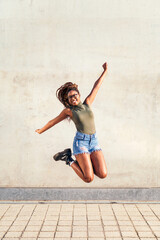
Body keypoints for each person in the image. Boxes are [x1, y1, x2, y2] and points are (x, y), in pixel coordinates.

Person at [35, 62, 108, 183]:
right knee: (88, 178)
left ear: (79, 95)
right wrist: (40, 130)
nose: (73, 97)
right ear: (68, 101)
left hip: (94, 141)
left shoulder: (87, 103)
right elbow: (53, 121)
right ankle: (68, 159)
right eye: (70, 97)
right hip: (81, 143)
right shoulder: (69, 111)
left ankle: (85, 163)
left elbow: (97, 87)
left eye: (75, 95)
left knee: (103, 174)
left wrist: (104, 71)